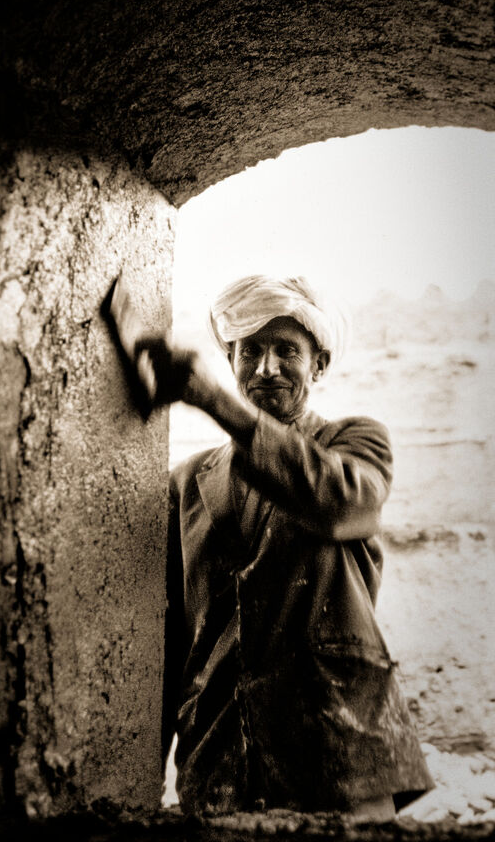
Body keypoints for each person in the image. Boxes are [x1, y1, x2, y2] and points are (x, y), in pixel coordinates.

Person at [139, 275, 433, 820]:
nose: (266, 368)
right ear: (231, 360)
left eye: (286, 351)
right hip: (219, 766)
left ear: (318, 365)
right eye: (249, 351)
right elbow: (169, 642)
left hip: (338, 753)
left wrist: (214, 401)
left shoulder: (356, 444)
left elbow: (338, 503)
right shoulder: (185, 485)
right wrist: (141, 779)